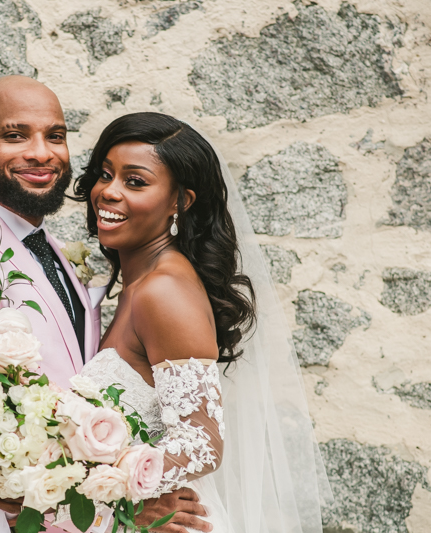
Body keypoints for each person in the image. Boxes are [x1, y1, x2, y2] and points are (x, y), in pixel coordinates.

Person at [0, 79, 212, 533]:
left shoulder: (51, 249)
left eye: (55, 136)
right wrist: (118, 505)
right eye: (16, 135)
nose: (41, 152)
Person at [72, 112, 331, 533]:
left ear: (181, 201)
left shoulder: (163, 291)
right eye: (105, 174)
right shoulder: (140, 283)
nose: (108, 192)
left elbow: (202, 445)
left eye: (134, 181)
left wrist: (99, 493)